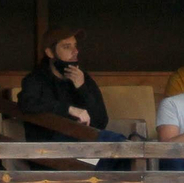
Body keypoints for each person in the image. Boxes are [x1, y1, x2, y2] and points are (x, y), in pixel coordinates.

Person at [19, 28, 127, 170]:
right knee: (117, 150)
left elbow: (101, 120)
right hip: (49, 151)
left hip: (84, 147)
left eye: (75, 46)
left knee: (122, 154)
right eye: (67, 47)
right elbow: (27, 103)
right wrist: (69, 109)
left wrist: (82, 88)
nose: (75, 51)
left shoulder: (83, 78)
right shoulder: (36, 79)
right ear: (50, 52)